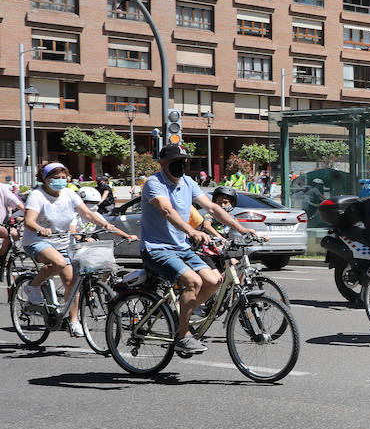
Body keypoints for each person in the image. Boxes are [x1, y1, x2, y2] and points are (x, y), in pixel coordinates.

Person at [140, 145, 256, 356]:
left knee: (214, 281)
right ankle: (183, 335)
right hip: (156, 249)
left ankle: (183, 317)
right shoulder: (154, 183)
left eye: (184, 161)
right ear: (162, 163)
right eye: (175, 161)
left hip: (181, 247)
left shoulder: (187, 182)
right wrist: (191, 231)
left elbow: (212, 208)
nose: (181, 165)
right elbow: (167, 210)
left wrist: (241, 228)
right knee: (194, 282)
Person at [21, 163, 136, 338]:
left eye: (63, 177)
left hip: (63, 243)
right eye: (55, 178)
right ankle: (33, 287)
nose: (60, 181)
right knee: (58, 262)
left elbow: (87, 214)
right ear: (44, 179)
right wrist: (39, 229)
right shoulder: (37, 195)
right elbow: (29, 220)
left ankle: (73, 321)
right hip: (38, 241)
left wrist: (105, 224)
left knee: (73, 283)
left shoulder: (68, 193)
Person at [0, 178, 25, 264]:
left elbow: (16, 202)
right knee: (8, 232)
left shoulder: (1, 187)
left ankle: (2, 258)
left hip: (3, 223)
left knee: (13, 233)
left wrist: (29, 214)